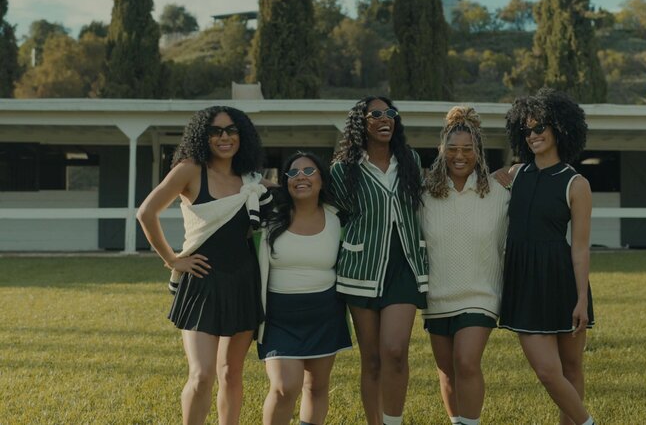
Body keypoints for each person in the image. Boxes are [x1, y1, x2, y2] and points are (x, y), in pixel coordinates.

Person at [136, 106, 271, 425]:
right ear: (202, 135)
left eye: (231, 130)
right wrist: (172, 259)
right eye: (215, 131)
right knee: (201, 375)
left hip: (243, 280)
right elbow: (146, 213)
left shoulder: (250, 178)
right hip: (202, 281)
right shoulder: (190, 169)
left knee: (231, 373)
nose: (224, 137)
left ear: (242, 135)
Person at [500, 88, 596, 425]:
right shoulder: (512, 176)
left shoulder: (576, 183)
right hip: (524, 281)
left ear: (559, 128)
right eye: (526, 130)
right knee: (546, 371)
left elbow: (580, 247)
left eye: (540, 128)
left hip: (562, 281)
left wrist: (581, 299)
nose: (533, 135)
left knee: (571, 368)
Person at [330, 96, 428, 425]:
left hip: (405, 267)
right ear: (362, 122)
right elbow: (338, 212)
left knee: (395, 352)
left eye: (390, 113)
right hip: (362, 270)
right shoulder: (344, 169)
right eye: (376, 114)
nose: (385, 118)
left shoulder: (411, 159)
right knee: (371, 360)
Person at [421, 106, 510, 425]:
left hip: (481, 295)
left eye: (467, 150)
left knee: (466, 362)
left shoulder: (500, 190)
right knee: (446, 371)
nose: (460, 156)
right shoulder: (424, 192)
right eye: (453, 149)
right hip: (437, 297)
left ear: (478, 152)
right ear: (442, 151)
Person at [258, 152, 352, 425]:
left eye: (309, 171)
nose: (300, 176)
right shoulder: (269, 216)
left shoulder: (338, 219)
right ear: (284, 181)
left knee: (316, 386)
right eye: (293, 172)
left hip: (325, 313)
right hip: (278, 315)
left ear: (322, 179)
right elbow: (243, 181)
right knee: (286, 386)